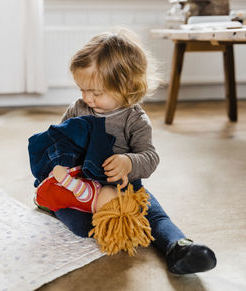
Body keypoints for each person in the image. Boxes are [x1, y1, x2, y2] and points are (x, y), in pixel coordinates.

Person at [44, 28, 217, 274]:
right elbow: (58, 140)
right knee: (81, 225)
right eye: (82, 89)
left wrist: (129, 162)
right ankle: (51, 203)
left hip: (126, 189)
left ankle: (179, 247)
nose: (87, 97)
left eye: (97, 92)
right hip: (85, 188)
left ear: (126, 85)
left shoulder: (134, 119)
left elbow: (150, 157)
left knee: (154, 215)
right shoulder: (78, 109)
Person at [35, 164, 154, 256]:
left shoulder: (87, 194)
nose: (118, 190)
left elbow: (63, 177)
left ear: (106, 209)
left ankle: (44, 205)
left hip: (48, 188)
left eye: (117, 195)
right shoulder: (95, 207)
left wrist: (59, 169)